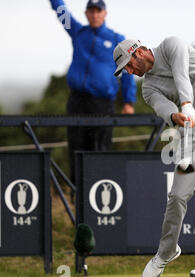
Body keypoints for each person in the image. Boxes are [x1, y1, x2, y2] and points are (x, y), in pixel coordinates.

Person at [113, 37, 195, 277]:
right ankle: (166, 251)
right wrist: (176, 116)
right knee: (178, 194)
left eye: (128, 66)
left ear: (138, 52)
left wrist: (186, 103)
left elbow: (181, 73)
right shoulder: (148, 88)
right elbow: (162, 107)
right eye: (125, 71)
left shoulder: (171, 45)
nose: (129, 72)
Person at [49, 0, 137, 184]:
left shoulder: (116, 39)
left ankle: (98, 197)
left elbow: (129, 71)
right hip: (77, 101)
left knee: (100, 150)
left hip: (102, 104)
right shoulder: (78, 32)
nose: (95, 14)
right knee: (76, 149)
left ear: (105, 14)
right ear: (86, 13)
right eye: (91, 11)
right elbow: (61, 11)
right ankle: (76, 197)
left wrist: (129, 102)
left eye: (98, 11)